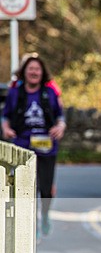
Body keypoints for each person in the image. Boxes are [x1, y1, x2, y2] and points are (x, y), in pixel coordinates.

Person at [1, 54, 66, 237]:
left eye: (37, 69)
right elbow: (5, 116)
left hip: (46, 146)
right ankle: (32, 223)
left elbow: (60, 116)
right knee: (26, 187)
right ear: (24, 72)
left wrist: (60, 127)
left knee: (45, 188)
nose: (34, 72)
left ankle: (44, 214)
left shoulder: (50, 93)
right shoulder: (15, 93)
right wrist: (6, 129)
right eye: (30, 69)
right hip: (22, 146)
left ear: (42, 72)